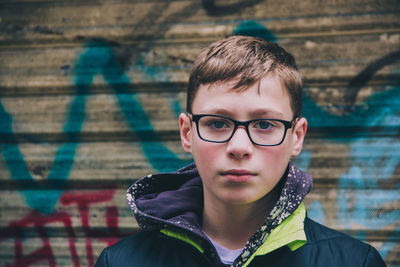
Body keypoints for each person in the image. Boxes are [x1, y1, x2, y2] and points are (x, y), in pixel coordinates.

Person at [95, 36, 386, 267]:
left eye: (264, 124)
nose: (238, 147)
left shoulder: (354, 262)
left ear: (296, 137)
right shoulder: (121, 262)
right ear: (187, 133)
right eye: (218, 123)